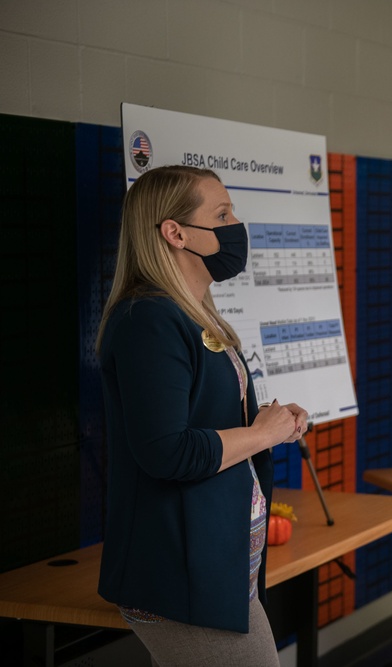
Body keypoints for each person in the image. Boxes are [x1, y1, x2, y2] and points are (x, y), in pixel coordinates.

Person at [96, 165, 308, 666]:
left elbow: (208, 422)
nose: (236, 224)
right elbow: (168, 451)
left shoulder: (193, 312)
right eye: (222, 213)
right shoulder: (148, 318)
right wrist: (261, 435)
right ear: (175, 233)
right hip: (181, 576)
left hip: (220, 565)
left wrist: (270, 426)